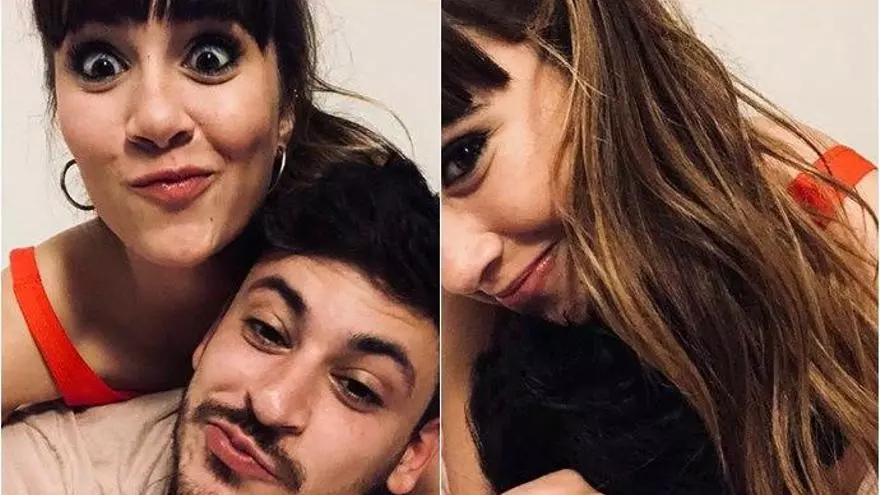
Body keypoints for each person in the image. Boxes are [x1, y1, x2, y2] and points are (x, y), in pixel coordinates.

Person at [440, 1, 877, 494]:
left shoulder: (835, 229)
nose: (459, 271)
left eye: (464, 157)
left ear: (574, 44)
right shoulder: (482, 293)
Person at [2, 0, 400, 418]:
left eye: (210, 58)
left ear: (287, 103)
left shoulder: (378, 243)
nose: (157, 121)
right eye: (100, 66)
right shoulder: (17, 324)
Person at [3, 157, 441, 495]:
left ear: (413, 454)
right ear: (211, 332)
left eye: (357, 387)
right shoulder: (51, 470)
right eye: (268, 331)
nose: (272, 404)